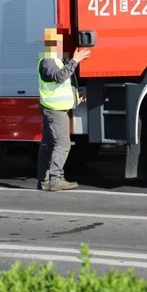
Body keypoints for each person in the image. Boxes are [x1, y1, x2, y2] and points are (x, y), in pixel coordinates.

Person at [37, 28, 91, 191]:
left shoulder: (55, 60)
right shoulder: (47, 60)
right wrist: (75, 60)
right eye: (57, 42)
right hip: (54, 110)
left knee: (48, 144)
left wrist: (77, 95)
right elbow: (60, 77)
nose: (60, 45)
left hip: (54, 108)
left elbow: (60, 85)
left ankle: (45, 180)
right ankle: (56, 179)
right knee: (62, 144)